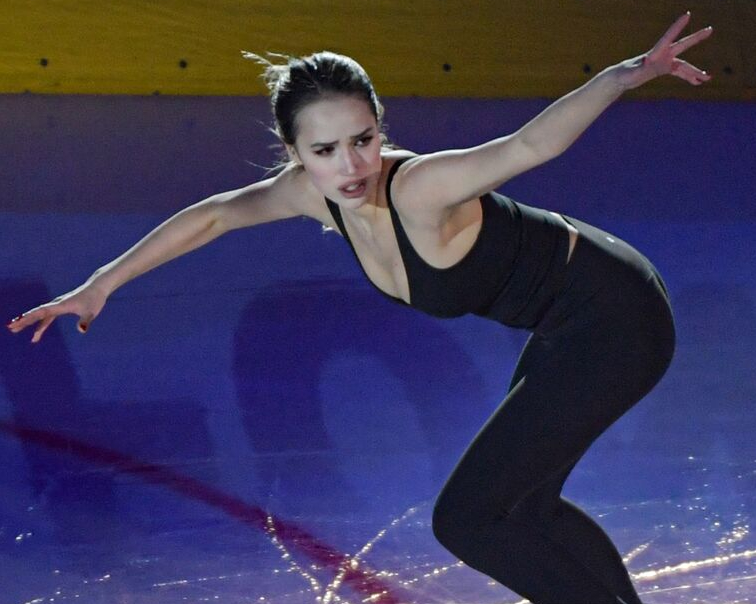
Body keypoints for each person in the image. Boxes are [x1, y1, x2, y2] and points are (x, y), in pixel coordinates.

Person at [6, 12, 713, 604]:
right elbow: (216, 214)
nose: (350, 167)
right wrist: (103, 282)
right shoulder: (312, 194)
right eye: (324, 150)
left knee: (468, 520)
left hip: (617, 318)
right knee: (523, 504)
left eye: (363, 140)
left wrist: (623, 76)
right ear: (294, 153)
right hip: (568, 319)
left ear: (380, 128)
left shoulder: (422, 187)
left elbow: (530, 143)